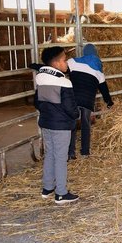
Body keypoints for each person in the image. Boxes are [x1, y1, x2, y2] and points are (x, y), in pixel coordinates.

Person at [34, 46, 80, 204]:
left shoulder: (40, 79)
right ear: (56, 63)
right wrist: (76, 115)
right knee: (61, 158)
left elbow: (37, 102)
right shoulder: (64, 82)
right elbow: (70, 108)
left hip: (46, 123)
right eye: (64, 60)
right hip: (61, 126)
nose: (66, 63)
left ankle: (47, 188)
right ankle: (61, 193)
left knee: (50, 154)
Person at [67, 44, 114, 160]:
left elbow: (59, 68)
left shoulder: (72, 62)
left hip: (73, 99)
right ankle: (85, 152)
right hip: (87, 101)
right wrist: (109, 103)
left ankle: (70, 152)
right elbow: (104, 90)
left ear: (84, 52)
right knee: (85, 125)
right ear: (95, 53)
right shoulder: (98, 70)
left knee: (71, 125)